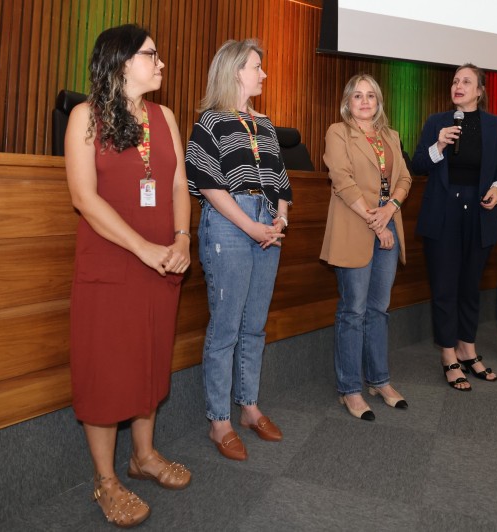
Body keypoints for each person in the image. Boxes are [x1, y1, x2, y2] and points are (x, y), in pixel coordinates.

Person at [65, 24, 192, 528]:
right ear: (120, 62)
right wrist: (142, 247)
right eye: (151, 55)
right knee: (106, 370)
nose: (160, 63)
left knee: (148, 360)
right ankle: (106, 479)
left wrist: (183, 238)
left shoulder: (165, 117)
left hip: (163, 262)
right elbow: (84, 197)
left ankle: (143, 456)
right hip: (113, 262)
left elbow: (180, 182)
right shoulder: (84, 118)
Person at [185, 39, 293, 461]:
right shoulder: (209, 122)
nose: (263, 74)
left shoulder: (265, 124)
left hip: (267, 224)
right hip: (230, 224)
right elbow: (208, 183)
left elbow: (282, 182)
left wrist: (279, 220)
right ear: (234, 71)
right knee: (226, 327)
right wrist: (251, 225)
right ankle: (219, 420)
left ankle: (248, 407)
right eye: (256, 67)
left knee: (255, 324)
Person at [412, 63, 497, 391]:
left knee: (470, 284)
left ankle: (467, 348)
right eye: (455, 81)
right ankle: (447, 354)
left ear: (480, 91)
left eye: (466, 81)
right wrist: (439, 145)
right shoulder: (436, 122)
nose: (458, 85)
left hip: (481, 210)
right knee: (444, 286)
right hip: (443, 210)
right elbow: (418, 164)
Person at [320, 74, 413, 420]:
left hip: (388, 222)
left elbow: (404, 178)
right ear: (348, 101)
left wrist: (391, 209)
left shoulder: (390, 135)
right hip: (355, 225)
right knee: (353, 310)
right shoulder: (338, 132)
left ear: (378, 102)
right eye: (357, 95)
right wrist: (375, 221)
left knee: (379, 309)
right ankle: (350, 389)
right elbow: (341, 179)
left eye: (370, 95)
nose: (364, 101)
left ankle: (379, 380)